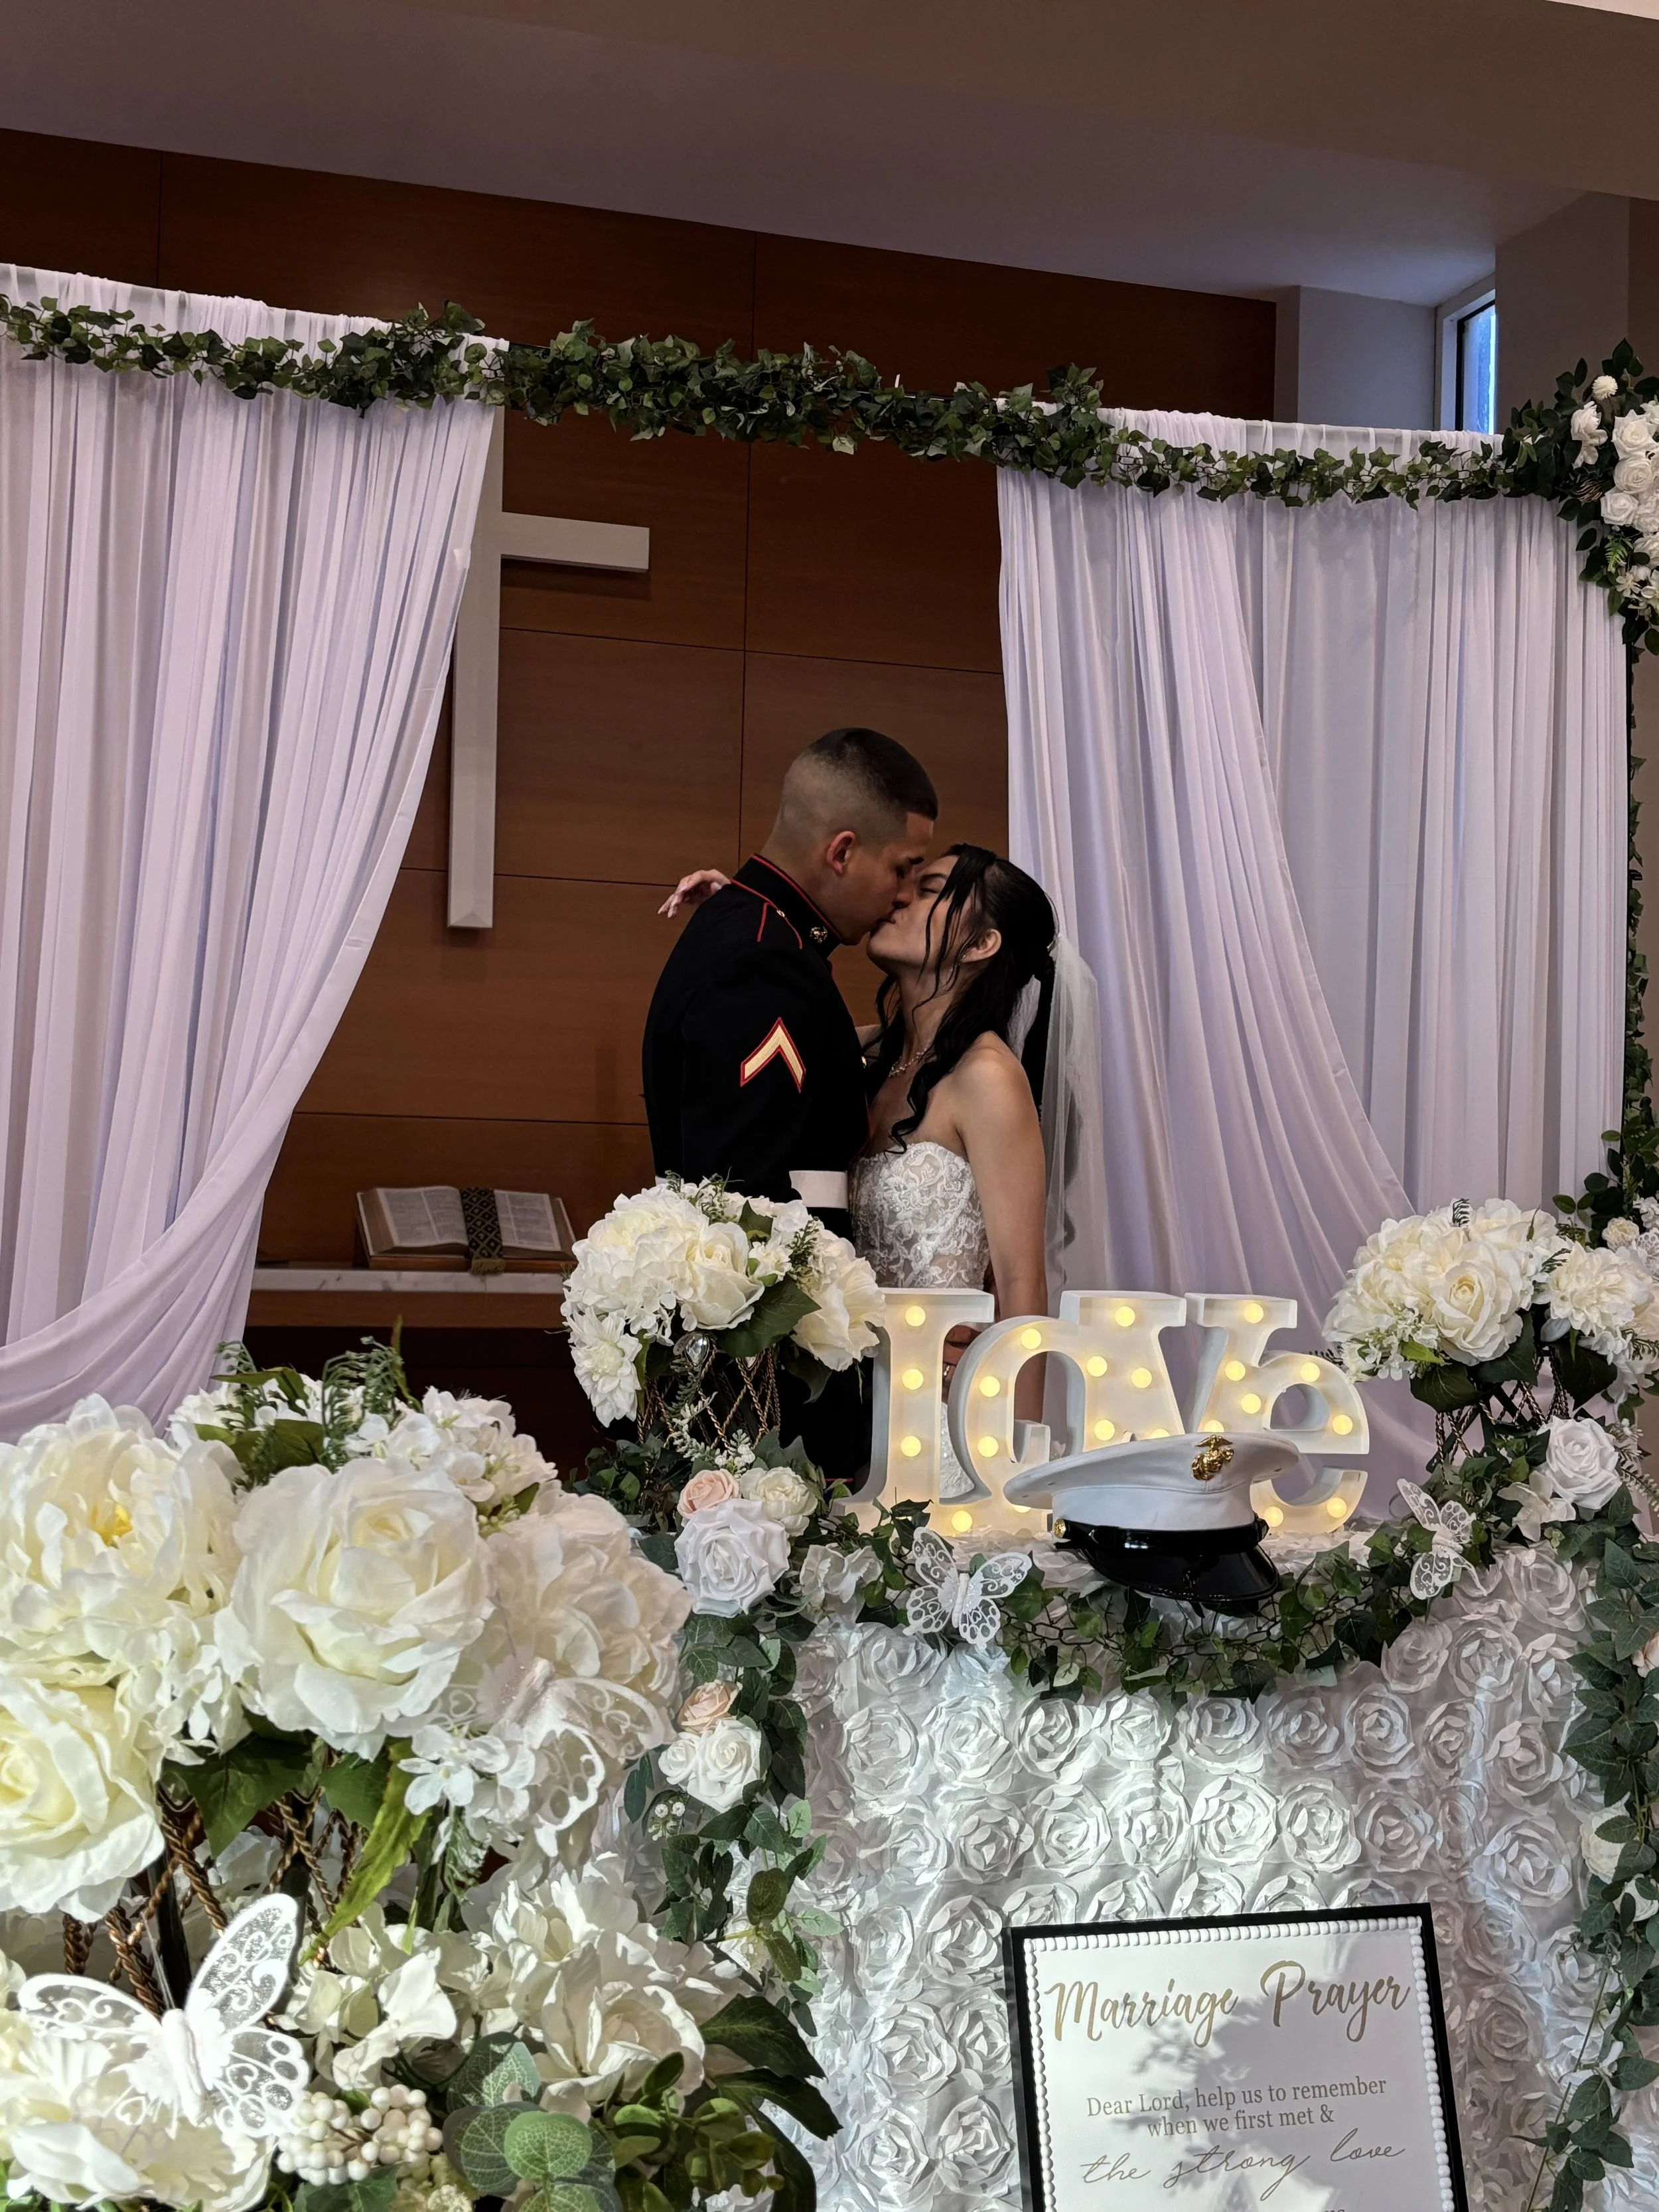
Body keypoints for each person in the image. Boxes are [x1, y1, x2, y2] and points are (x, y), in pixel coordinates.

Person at [642, 726, 937, 1235]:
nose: (906, 895)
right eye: (903, 869)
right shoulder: (764, 960)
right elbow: (743, 1205)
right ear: (842, 853)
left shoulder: (756, 930)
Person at [853, 844, 1056, 1430]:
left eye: (929, 888)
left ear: (979, 944)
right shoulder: (872, 1058)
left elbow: (1022, 1279)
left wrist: (1018, 1454)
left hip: (936, 1414)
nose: (898, 897)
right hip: (853, 1401)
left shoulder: (986, 1077)